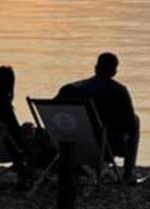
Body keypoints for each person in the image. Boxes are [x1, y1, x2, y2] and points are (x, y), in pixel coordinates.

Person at [55, 52, 144, 183]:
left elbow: (56, 114)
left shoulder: (70, 89)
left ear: (96, 68)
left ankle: (78, 167)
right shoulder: (118, 91)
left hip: (66, 143)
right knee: (135, 120)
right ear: (114, 71)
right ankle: (129, 173)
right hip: (104, 146)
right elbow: (129, 125)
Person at [0, 65, 43, 187]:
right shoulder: (2, 104)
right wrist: (25, 130)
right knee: (40, 135)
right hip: (3, 147)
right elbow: (14, 132)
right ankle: (26, 175)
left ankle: (29, 172)